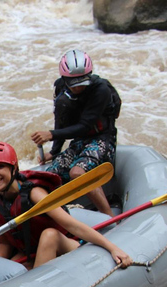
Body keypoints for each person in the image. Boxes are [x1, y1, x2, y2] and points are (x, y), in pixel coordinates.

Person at [0, 141, 132, 269]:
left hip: (66, 245)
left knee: (49, 235)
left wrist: (112, 248)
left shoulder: (34, 194)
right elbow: (3, 241)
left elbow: (72, 225)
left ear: (14, 168)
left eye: (0, 166)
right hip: (32, 252)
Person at [30, 49, 122, 216]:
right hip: (79, 142)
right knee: (48, 177)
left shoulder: (101, 90)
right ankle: (53, 218)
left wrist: (51, 134)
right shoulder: (60, 87)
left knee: (77, 173)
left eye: (82, 82)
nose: (78, 87)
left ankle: (110, 218)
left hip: (102, 139)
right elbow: (60, 120)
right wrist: (54, 151)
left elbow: (84, 126)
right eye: (74, 82)